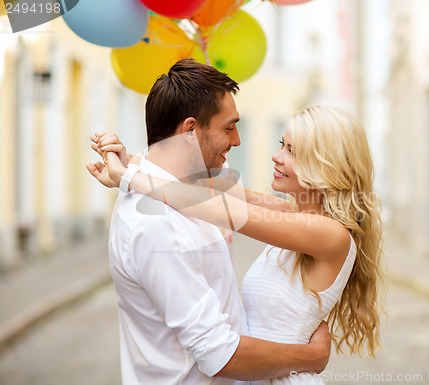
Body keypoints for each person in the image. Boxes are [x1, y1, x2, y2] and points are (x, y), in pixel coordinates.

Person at [88, 102, 385, 384]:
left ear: (326, 164)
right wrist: (129, 161)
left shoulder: (330, 235)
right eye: (282, 144)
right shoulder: (293, 214)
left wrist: (129, 177)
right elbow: (207, 187)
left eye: (293, 151)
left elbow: (222, 210)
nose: (277, 156)